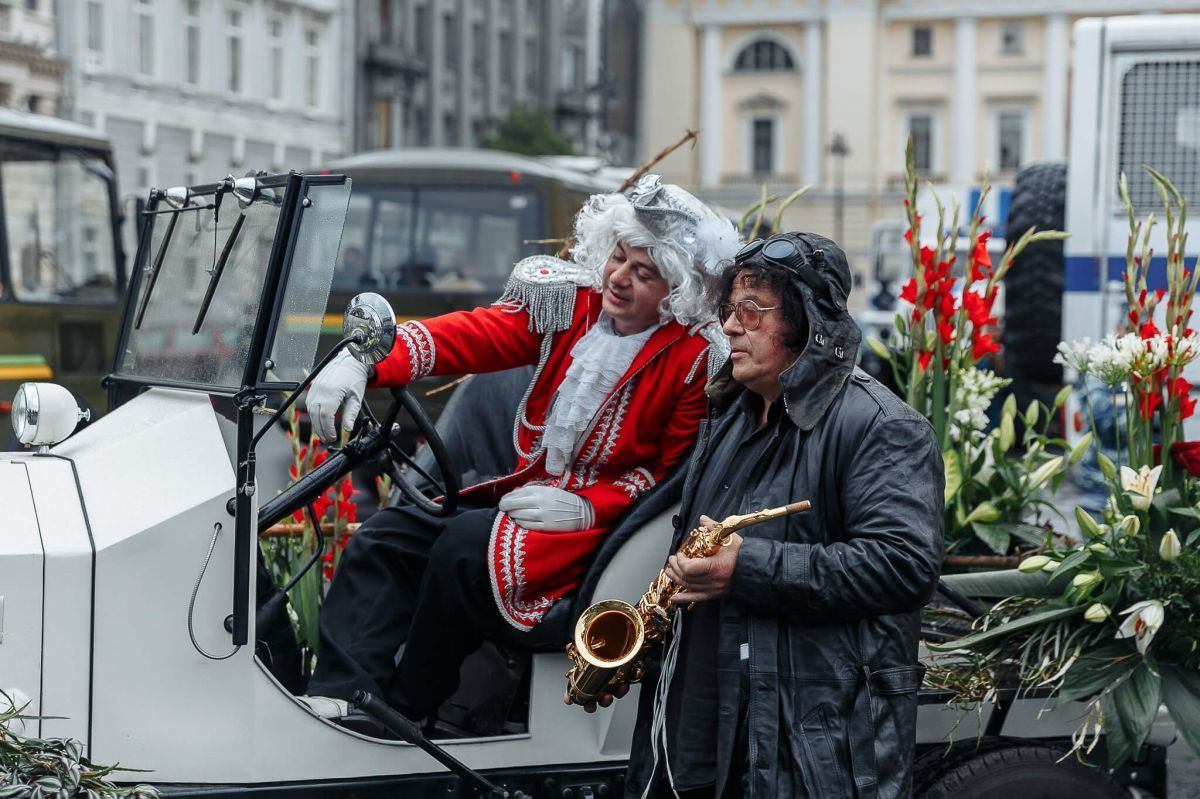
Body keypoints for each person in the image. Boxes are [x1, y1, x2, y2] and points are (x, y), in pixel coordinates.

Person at [299, 175, 740, 730]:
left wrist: (590, 507)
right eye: (619, 258)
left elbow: (672, 476)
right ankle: (340, 696)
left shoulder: (694, 358)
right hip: (527, 505)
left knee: (461, 549)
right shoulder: (571, 303)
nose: (619, 278)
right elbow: (476, 334)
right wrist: (369, 358)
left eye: (644, 273)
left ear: (676, 290)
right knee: (386, 538)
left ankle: (407, 710)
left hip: (600, 534)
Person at [614, 232, 944, 798]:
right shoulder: (730, 418)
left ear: (806, 323)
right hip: (699, 725)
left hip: (808, 746)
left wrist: (746, 569)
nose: (730, 327)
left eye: (751, 311)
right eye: (728, 311)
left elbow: (903, 566)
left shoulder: (883, 425)